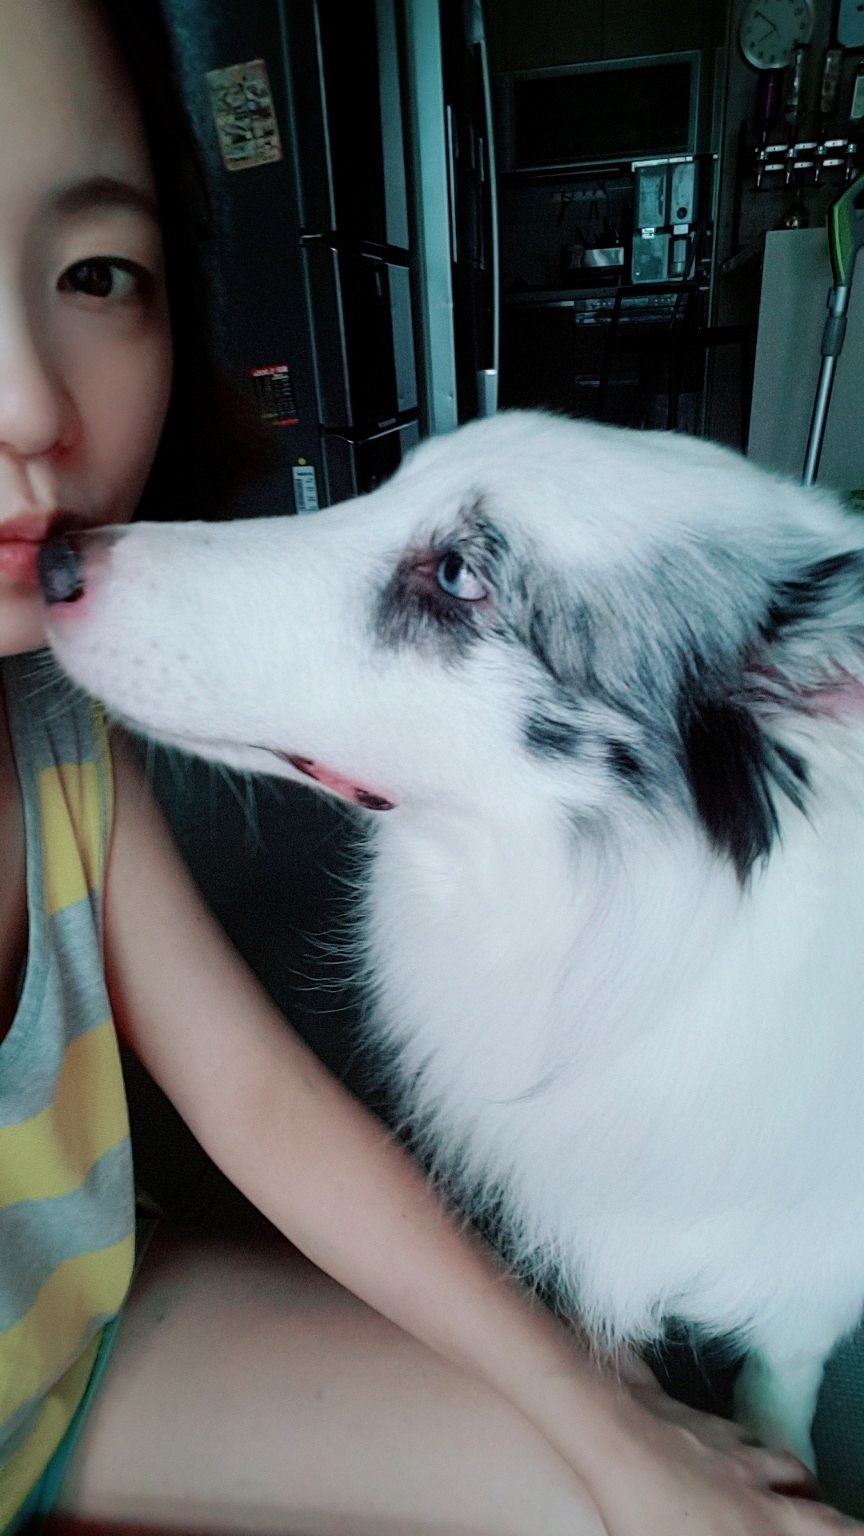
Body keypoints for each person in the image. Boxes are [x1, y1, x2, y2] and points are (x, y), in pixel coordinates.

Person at [0, 0, 858, 1532]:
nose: (25, 408)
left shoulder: (54, 742)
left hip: (87, 1352)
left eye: (92, 273)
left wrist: (610, 1434)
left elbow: (258, 1097)